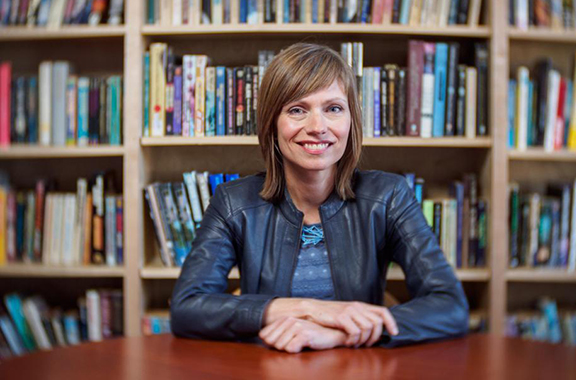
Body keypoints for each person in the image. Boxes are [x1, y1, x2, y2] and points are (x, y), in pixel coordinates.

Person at [170, 43, 469, 353]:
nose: (317, 127)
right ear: (272, 123)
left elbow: (450, 307)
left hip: (358, 369)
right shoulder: (234, 202)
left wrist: (340, 333)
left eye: (334, 108)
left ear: (351, 120)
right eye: (297, 109)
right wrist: (309, 309)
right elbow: (187, 308)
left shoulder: (388, 196)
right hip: (270, 368)